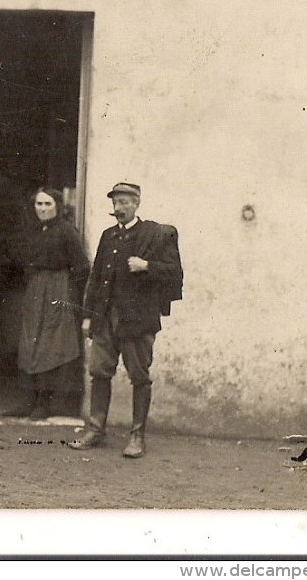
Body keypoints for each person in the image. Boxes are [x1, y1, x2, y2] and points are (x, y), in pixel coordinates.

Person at [68, 182, 183, 458]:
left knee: (139, 376)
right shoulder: (108, 236)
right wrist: (88, 317)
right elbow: (96, 280)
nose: (119, 208)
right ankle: (95, 429)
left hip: (137, 320)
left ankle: (137, 436)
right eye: (115, 203)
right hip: (106, 319)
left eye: (124, 203)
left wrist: (147, 266)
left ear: (137, 203)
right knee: (98, 372)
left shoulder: (154, 235)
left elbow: (175, 273)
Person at [1, 188, 89, 419]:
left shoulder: (68, 232)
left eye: (47, 204)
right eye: (39, 204)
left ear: (58, 206)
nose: (42, 209)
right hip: (35, 289)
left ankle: (45, 402)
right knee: (30, 342)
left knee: (50, 344)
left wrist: (69, 293)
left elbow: (81, 267)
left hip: (57, 289)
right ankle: (28, 400)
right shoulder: (33, 231)